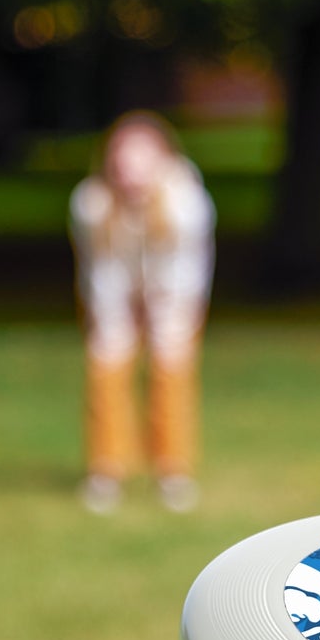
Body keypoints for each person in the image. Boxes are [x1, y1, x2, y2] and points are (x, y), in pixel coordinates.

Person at [69, 111, 216, 514]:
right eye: (122, 160)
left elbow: (187, 270)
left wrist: (163, 314)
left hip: (174, 296)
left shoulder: (187, 202)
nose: (130, 171)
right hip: (113, 294)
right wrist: (116, 319)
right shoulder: (91, 203)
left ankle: (173, 471)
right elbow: (100, 270)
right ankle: (106, 470)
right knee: (106, 367)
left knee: (171, 371)